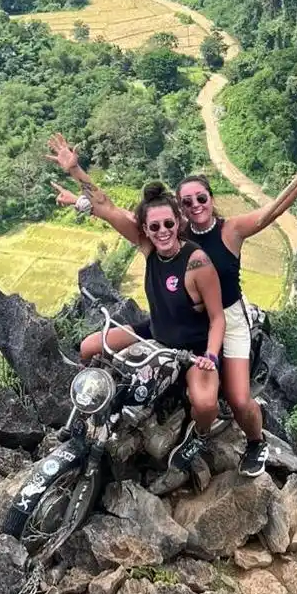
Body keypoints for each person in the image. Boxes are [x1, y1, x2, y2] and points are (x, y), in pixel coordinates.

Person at [47, 133, 297, 477]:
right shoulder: (173, 233)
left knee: (237, 398)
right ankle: (92, 409)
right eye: (186, 202)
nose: (195, 206)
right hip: (173, 318)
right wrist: (78, 183)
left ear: (211, 199)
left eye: (201, 198)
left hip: (226, 318)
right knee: (90, 347)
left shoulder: (228, 231)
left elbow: (271, 212)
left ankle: (251, 441)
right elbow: (117, 212)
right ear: (179, 210)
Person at [70, 179, 225, 474]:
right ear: (146, 229)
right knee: (89, 347)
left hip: (192, 347)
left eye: (168, 224)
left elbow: (218, 318)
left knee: (205, 405)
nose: (162, 231)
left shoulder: (197, 263)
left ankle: (200, 435)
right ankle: (92, 408)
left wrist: (211, 356)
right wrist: (75, 170)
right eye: (154, 227)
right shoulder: (149, 249)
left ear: (178, 222)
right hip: (155, 330)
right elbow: (107, 207)